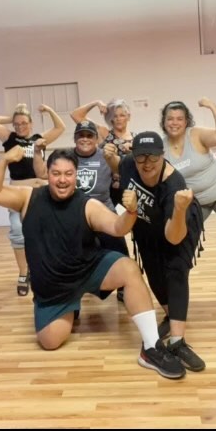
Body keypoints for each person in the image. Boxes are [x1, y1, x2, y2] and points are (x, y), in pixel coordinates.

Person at [0, 146, 186, 379]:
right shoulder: (28, 197)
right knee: (50, 342)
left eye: (68, 174)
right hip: (54, 288)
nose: (62, 180)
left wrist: (131, 212)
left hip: (87, 270)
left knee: (128, 269)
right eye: (56, 173)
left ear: (76, 175)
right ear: (47, 174)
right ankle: (72, 305)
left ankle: (151, 347)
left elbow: (117, 228)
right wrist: (4, 160)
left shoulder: (87, 205)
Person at [108, 131, 206, 372]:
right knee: (152, 269)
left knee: (175, 269)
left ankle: (177, 341)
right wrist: (110, 159)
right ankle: (172, 315)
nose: (147, 163)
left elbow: (174, 237)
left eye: (153, 157)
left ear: (162, 156)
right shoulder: (129, 164)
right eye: (141, 157)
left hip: (178, 223)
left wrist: (180, 210)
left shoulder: (174, 184)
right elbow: (119, 166)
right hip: (146, 222)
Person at [160, 98, 216, 293]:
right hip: (196, 200)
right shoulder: (162, 148)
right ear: (164, 121)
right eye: (170, 119)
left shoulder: (195, 135)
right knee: (185, 237)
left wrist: (212, 106)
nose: (174, 123)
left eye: (179, 119)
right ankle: (179, 279)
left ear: (186, 121)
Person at [0, 102, 65, 296]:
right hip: (18, 192)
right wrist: (12, 117)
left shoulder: (39, 139)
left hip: (41, 191)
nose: (20, 127)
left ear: (31, 123)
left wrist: (49, 110)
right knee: (18, 231)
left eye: (24, 123)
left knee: (48, 232)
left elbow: (60, 127)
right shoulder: (9, 138)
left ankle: (48, 269)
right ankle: (23, 272)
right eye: (17, 124)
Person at [72, 118, 129, 301]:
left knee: (119, 250)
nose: (85, 139)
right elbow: (44, 174)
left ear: (96, 139)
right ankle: (74, 290)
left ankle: (123, 286)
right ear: (75, 138)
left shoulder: (105, 156)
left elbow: (122, 172)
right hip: (76, 212)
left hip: (104, 210)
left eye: (89, 135)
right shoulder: (67, 157)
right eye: (81, 135)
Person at [71, 97, 134, 201]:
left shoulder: (135, 139)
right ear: (110, 118)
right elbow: (75, 115)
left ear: (128, 117)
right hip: (107, 189)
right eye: (115, 116)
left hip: (130, 189)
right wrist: (96, 103)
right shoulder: (104, 133)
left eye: (122, 115)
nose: (118, 119)